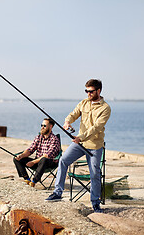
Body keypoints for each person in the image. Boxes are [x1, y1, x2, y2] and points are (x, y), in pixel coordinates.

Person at [45, 79, 111, 213]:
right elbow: (73, 114)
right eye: (86, 91)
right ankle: (58, 193)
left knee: (94, 175)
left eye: (91, 91)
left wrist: (80, 137)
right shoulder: (83, 103)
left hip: (94, 146)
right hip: (80, 144)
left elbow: (97, 127)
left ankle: (95, 203)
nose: (88, 94)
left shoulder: (105, 108)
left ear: (98, 91)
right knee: (63, 161)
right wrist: (67, 122)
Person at [13, 118, 61, 187]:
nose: (42, 127)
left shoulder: (54, 139)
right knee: (16, 158)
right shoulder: (39, 137)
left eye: (44, 126)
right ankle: (26, 179)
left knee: (44, 160)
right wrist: (22, 155)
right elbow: (30, 150)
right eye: (41, 125)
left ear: (50, 127)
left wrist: (33, 162)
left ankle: (34, 181)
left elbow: (47, 156)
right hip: (37, 162)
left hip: (49, 163)